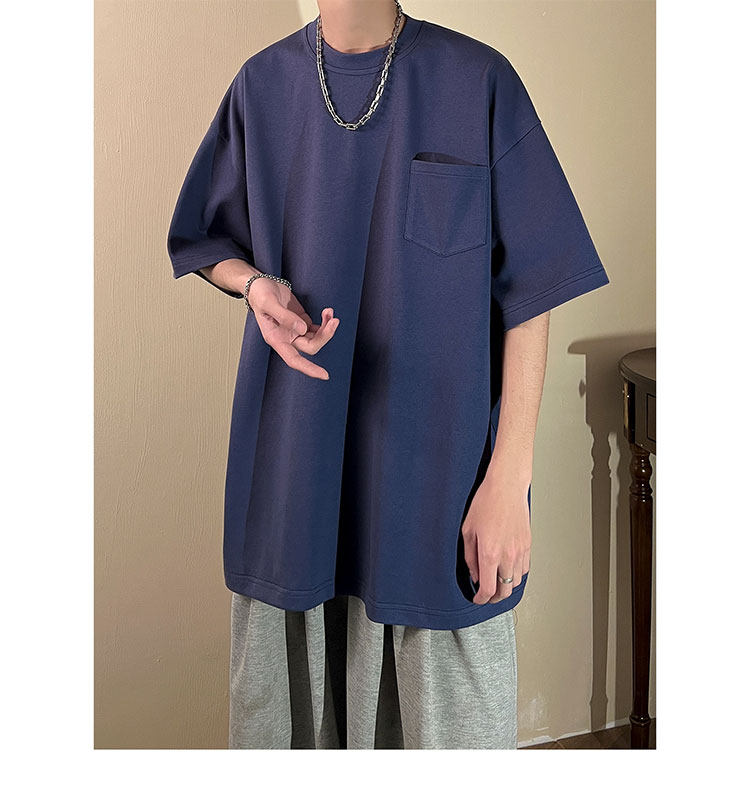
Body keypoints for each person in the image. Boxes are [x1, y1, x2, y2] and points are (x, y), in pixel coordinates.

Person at [166, 0, 610, 749]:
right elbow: (207, 238)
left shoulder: (478, 82)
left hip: (436, 499)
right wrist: (254, 285)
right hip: (295, 486)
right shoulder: (260, 86)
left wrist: (510, 480)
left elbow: (532, 291)